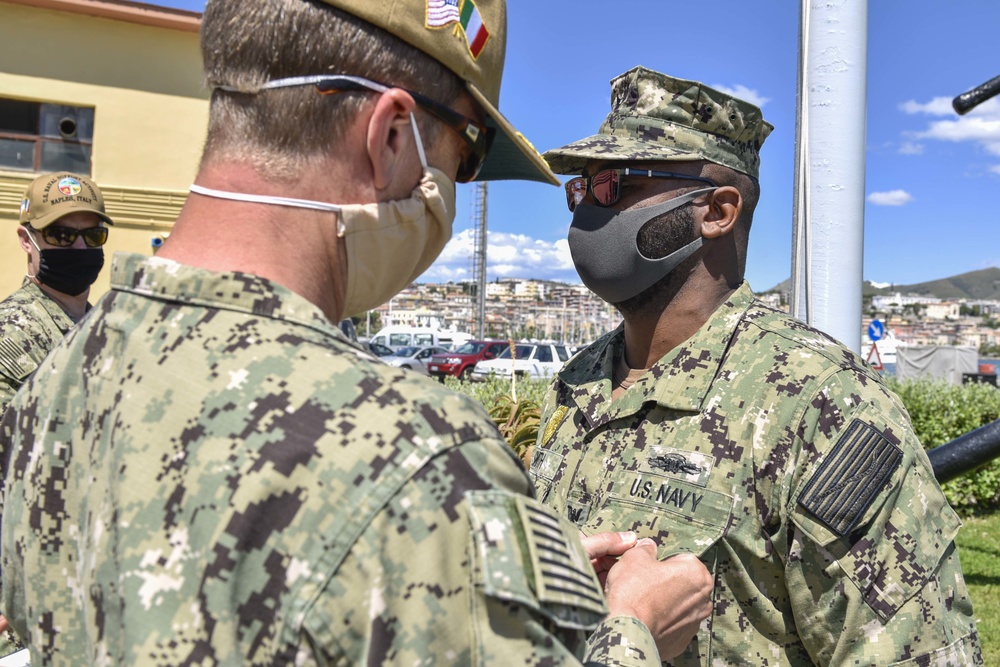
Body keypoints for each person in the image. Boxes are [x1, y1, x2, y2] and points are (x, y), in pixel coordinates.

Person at [0, 6, 713, 666]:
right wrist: (632, 628)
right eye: (462, 160)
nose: (456, 192)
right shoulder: (419, 454)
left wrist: (491, 565)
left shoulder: (53, 382)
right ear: (392, 134)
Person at [529, 66, 982, 666]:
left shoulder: (819, 402)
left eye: (614, 185)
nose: (588, 210)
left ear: (716, 211)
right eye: (581, 189)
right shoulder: (581, 380)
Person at [0, 171, 112, 416]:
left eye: (93, 235)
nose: (80, 247)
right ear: (26, 240)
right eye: (62, 235)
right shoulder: (9, 331)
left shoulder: (105, 327)